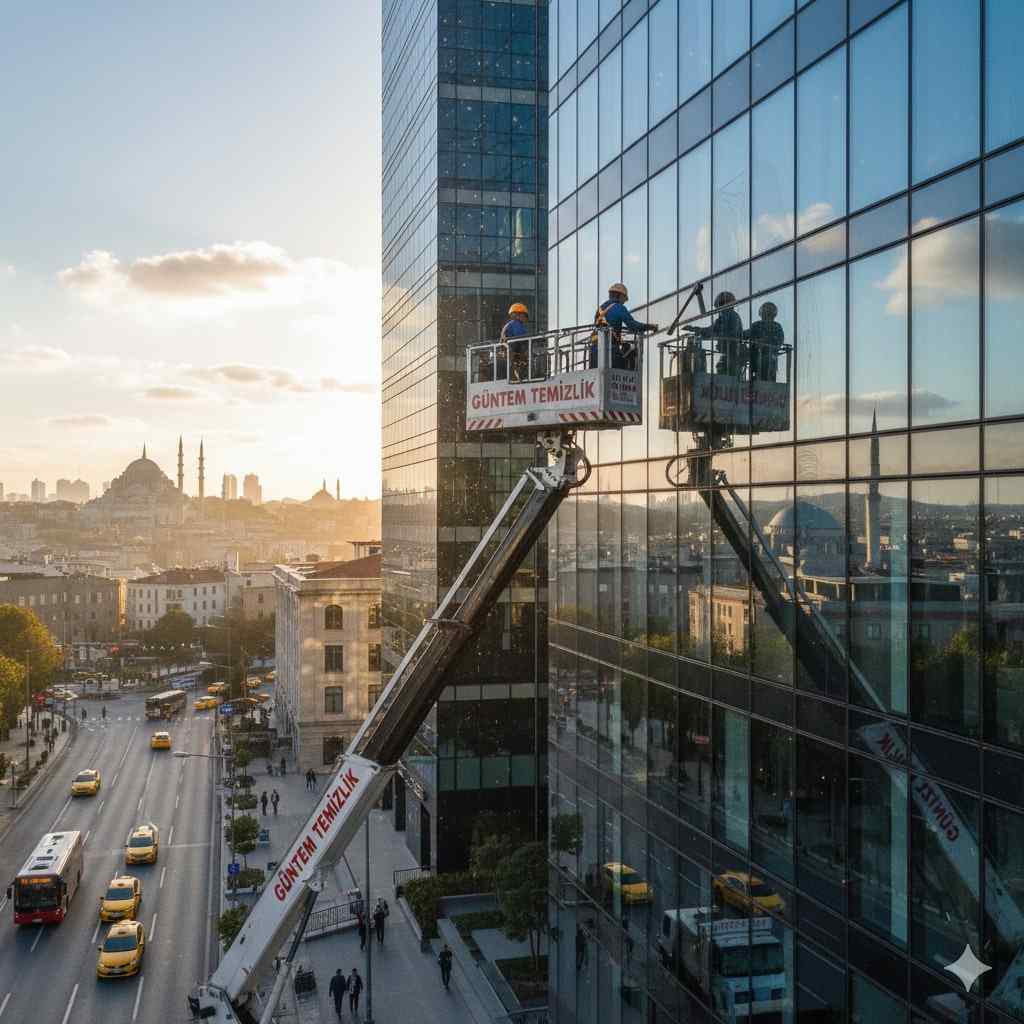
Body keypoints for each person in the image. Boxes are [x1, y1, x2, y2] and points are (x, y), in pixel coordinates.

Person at [593, 283, 658, 369]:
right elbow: (633, 326)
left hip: (594, 351)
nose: (624, 302)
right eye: (624, 299)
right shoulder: (618, 307)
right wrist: (650, 326)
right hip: (610, 351)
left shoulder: (600, 309)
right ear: (619, 295)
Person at [699, 291, 745, 377]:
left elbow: (717, 330)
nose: (718, 310)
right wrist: (699, 330)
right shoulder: (729, 316)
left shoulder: (730, 316)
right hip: (730, 354)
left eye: (719, 306)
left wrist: (701, 331)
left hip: (732, 354)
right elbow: (713, 329)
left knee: (725, 373)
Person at [747, 301, 785, 382]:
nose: (766, 314)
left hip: (766, 361)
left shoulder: (776, 326)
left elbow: (779, 341)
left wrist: (764, 341)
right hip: (758, 360)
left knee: (765, 382)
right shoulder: (757, 325)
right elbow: (748, 336)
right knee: (760, 382)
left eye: (768, 312)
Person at [501, 302, 530, 382]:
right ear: (517, 315)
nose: (525, 318)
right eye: (524, 316)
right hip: (513, 352)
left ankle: (519, 376)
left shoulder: (512, 324)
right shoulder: (515, 324)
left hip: (512, 352)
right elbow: (521, 337)